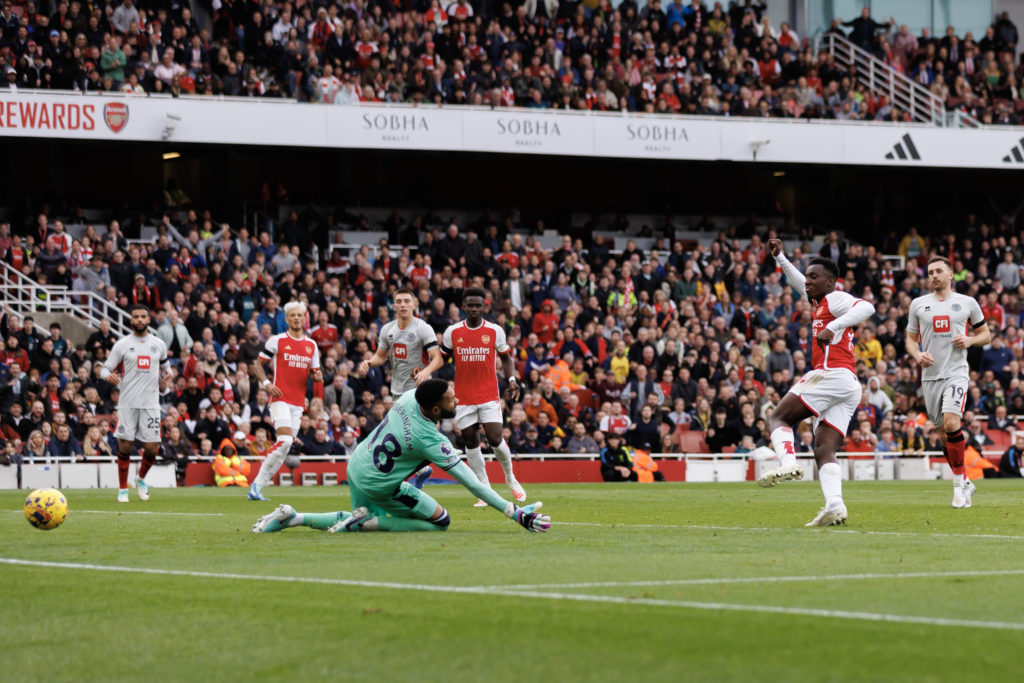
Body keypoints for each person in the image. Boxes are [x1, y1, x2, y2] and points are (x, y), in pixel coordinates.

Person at [251, 379, 551, 534]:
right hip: (379, 484)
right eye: (450, 399)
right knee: (442, 521)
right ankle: (374, 522)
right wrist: (515, 513)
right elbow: (473, 484)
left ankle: (294, 518)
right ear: (436, 410)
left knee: (354, 518)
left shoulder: (409, 397)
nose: (456, 400)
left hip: (357, 464)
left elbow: (423, 393)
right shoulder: (432, 439)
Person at [757, 239, 875, 526]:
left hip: (830, 374)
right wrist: (781, 258)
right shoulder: (820, 301)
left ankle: (788, 464)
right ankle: (835, 505)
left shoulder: (835, 299)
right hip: (847, 384)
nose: (807, 281)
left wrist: (834, 327)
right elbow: (798, 282)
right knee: (824, 448)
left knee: (777, 418)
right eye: (807, 276)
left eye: (814, 277)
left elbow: (868, 308)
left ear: (830, 282)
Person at [422, 287, 525, 507]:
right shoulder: (453, 332)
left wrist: (512, 380)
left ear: (484, 307)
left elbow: (506, 358)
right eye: (470, 305)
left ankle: (511, 478)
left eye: (478, 305)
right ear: (463, 307)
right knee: (470, 441)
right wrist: (427, 371)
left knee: (495, 438)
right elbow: (443, 359)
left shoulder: (495, 331)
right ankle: (484, 489)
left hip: (488, 394)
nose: (474, 309)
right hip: (463, 397)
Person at [906, 256, 991, 508]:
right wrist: (917, 354)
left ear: (950, 274)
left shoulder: (967, 303)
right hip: (931, 376)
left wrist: (970, 340)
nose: (934, 275)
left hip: (956, 372)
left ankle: (957, 489)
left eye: (939, 271)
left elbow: (985, 334)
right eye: (930, 272)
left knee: (953, 422)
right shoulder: (918, 304)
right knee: (943, 435)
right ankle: (965, 480)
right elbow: (910, 339)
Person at [358, 288, 442, 489]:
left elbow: (438, 358)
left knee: (406, 432)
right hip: (397, 391)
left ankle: (412, 472)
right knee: (401, 435)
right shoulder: (388, 330)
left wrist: (426, 371)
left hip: (419, 389)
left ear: (414, 304)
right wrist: (369, 362)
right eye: (399, 301)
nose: (403, 305)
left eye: (407, 301)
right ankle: (421, 469)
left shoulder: (423, 328)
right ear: (393, 306)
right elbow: (381, 356)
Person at [247, 301, 324, 501]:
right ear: (287, 319)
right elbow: (257, 366)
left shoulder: (312, 346)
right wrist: (266, 384)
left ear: (305, 318)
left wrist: (317, 377)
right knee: (285, 440)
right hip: (279, 399)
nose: (297, 318)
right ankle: (255, 485)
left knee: (284, 448)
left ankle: (256, 487)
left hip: (298, 404)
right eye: (293, 315)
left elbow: (316, 374)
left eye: (300, 315)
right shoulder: (277, 340)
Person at [100, 305, 172, 503]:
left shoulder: (159, 344)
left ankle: (140, 478)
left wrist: (165, 383)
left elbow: (166, 370)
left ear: (149, 319)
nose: (139, 320)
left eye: (143, 316)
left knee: (151, 449)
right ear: (130, 321)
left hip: (151, 404)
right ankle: (123, 489)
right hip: (127, 403)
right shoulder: (122, 344)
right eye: (136, 317)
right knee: (125, 446)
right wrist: (109, 376)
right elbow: (103, 369)